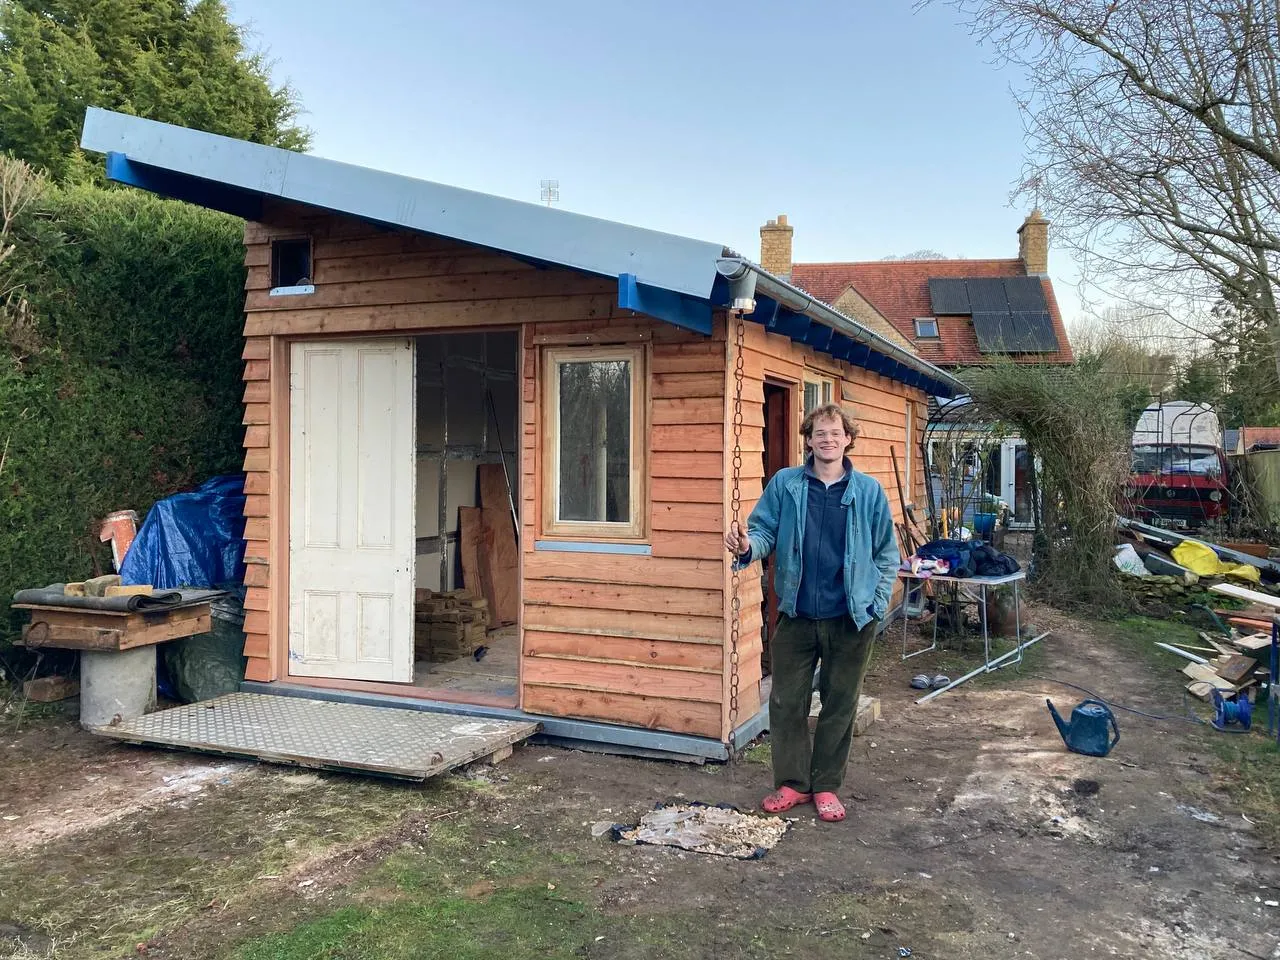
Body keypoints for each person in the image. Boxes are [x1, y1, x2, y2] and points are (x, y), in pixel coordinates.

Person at [724, 403, 900, 822]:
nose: (827, 440)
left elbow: (887, 554)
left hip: (850, 620)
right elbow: (764, 531)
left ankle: (826, 786)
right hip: (797, 615)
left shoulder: (869, 492)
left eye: (835, 433)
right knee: (786, 703)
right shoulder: (786, 485)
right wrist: (748, 547)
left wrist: (875, 604)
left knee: (840, 704)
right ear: (808, 439)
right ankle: (792, 783)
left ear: (848, 439)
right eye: (819, 433)